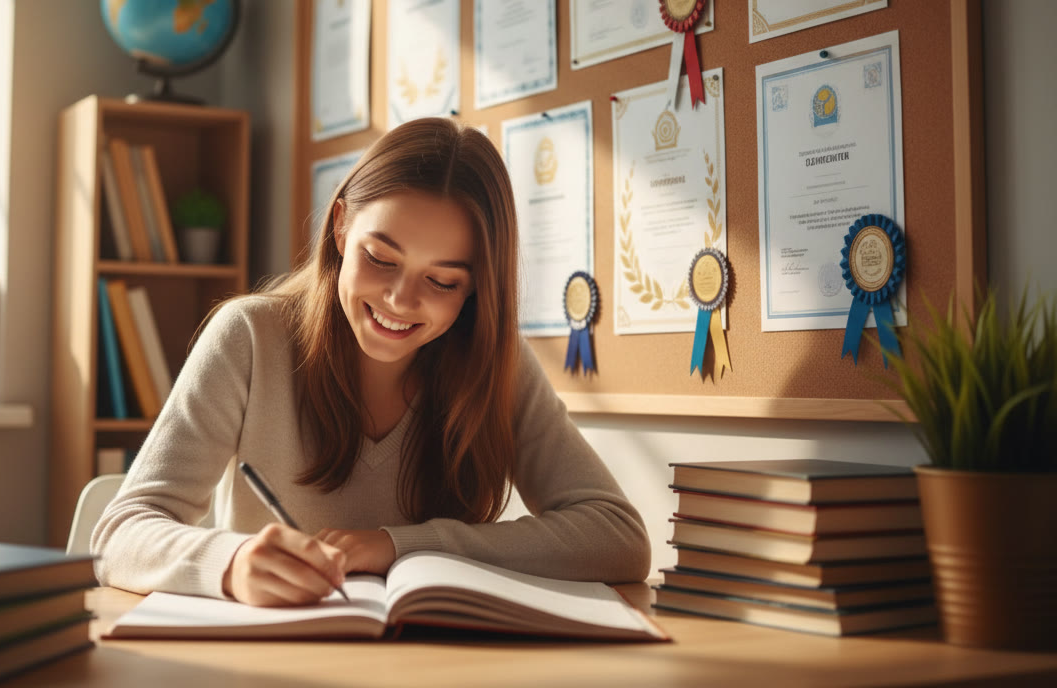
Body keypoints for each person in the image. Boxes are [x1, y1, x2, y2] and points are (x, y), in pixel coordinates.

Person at [92, 117, 651, 607]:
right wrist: (232, 564)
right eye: (381, 258)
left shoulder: (494, 362)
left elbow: (617, 536)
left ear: (476, 287)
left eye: (442, 280)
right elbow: (120, 532)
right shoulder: (248, 338)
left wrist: (397, 545)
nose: (401, 301)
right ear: (340, 226)